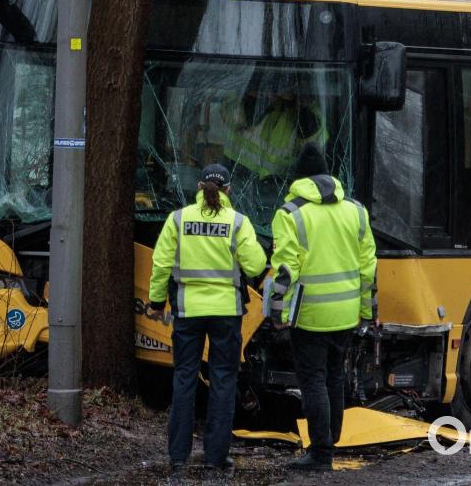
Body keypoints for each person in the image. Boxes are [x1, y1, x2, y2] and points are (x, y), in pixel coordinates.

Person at [147, 163, 267, 471]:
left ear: (199, 187)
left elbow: (161, 265)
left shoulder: (178, 219)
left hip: (187, 312)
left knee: (184, 378)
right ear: (228, 190)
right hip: (226, 313)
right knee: (224, 380)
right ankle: (216, 455)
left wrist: (157, 301)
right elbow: (255, 266)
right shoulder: (238, 222)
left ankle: (177, 455)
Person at [269, 144, 377, 471]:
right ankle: (332, 438)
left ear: (299, 177)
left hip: (311, 314)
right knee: (334, 375)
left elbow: (286, 270)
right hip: (345, 314)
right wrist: (366, 311)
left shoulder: (290, 214)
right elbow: (367, 267)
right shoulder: (355, 210)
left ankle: (320, 454)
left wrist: (278, 312)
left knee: (313, 380)